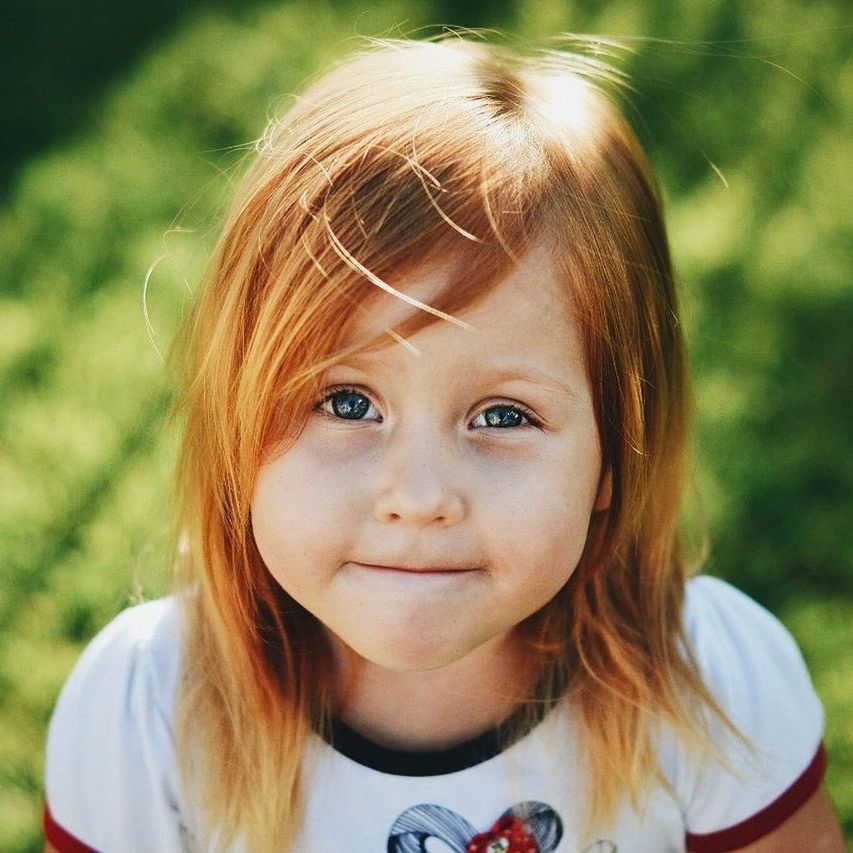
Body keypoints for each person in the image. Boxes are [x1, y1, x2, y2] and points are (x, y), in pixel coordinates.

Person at [42, 35, 845, 853]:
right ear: (237, 422)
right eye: (346, 401)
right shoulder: (144, 710)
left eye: (502, 415)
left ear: (615, 448)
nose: (420, 496)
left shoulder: (708, 683)